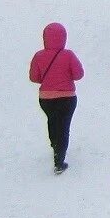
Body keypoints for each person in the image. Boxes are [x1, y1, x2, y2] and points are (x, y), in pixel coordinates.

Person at [28, 23, 84, 174]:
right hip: (67, 98)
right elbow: (79, 74)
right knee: (64, 126)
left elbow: (34, 77)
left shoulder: (38, 56)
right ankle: (59, 160)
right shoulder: (68, 55)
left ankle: (54, 144)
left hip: (46, 98)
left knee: (52, 121)